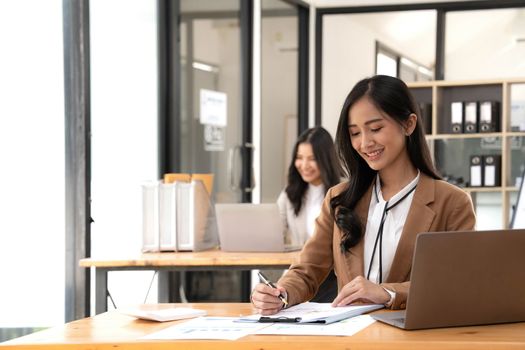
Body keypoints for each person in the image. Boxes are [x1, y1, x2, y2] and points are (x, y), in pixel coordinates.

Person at [251, 75, 476, 315]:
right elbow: (307, 270)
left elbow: (456, 285)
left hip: (413, 338)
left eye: (376, 128)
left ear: (409, 124)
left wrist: (387, 293)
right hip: (351, 336)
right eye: (355, 133)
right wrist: (280, 294)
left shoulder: (452, 202)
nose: (365, 142)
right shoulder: (339, 199)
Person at [276, 126, 343, 302]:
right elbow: (276, 233)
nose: (304, 165)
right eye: (299, 158)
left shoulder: (343, 192)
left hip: (332, 278)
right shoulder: (289, 194)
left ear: (325, 160)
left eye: (312, 159)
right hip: (301, 273)